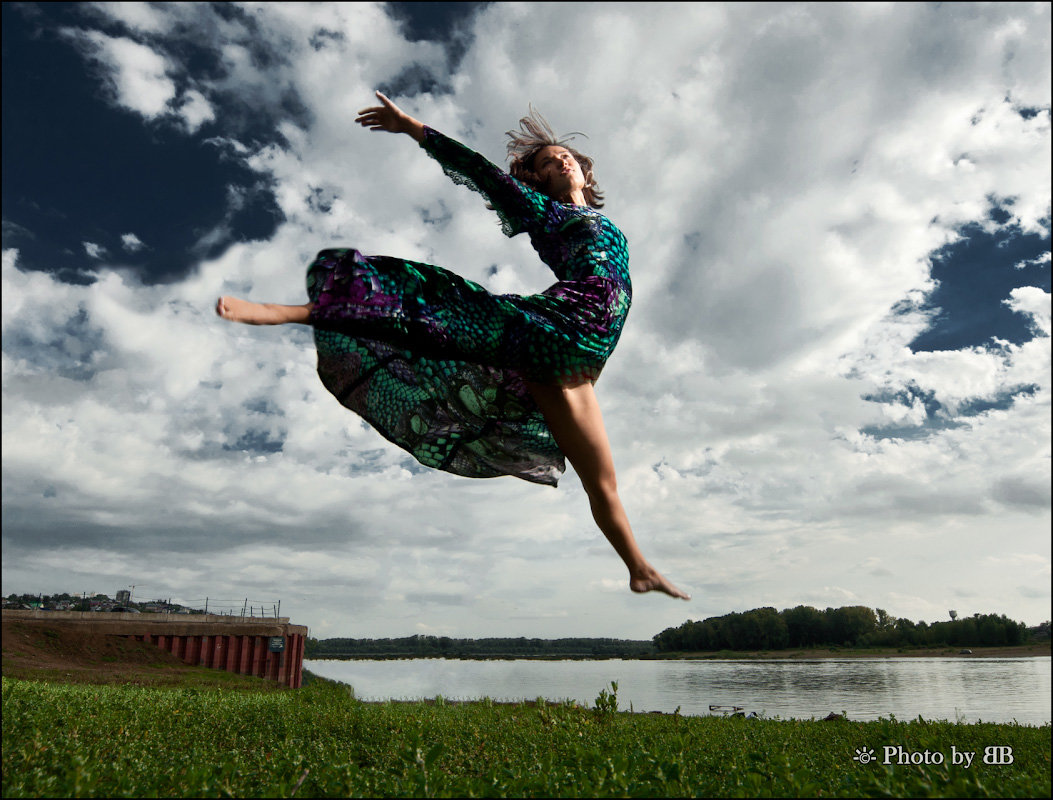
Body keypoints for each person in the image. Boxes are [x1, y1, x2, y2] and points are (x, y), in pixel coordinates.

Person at [217, 91, 689, 600]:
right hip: (556, 325)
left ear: (586, 172)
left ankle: (639, 568)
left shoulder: (603, 221)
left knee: (602, 481)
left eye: (565, 156)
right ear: (539, 182)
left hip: (581, 359)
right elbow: (483, 173)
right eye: (549, 163)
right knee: (439, 310)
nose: (562, 160)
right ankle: (293, 311)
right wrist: (413, 128)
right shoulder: (545, 216)